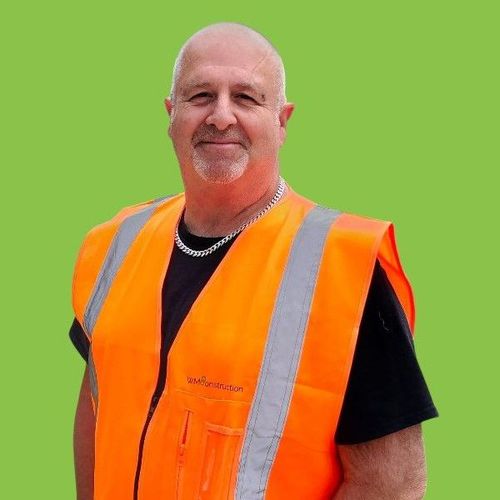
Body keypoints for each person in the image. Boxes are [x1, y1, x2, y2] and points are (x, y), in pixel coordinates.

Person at [70, 22, 438, 500]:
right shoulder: (117, 242)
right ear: (171, 113)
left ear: (282, 121)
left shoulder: (343, 266)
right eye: (201, 95)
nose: (221, 116)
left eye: (246, 97)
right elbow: (96, 402)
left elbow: (392, 483)